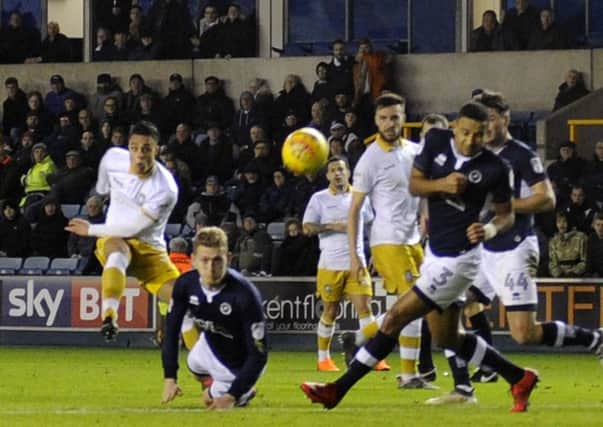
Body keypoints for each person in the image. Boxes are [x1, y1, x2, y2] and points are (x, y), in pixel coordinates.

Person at [300, 101, 542, 412]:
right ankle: (518, 377)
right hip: (434, 255)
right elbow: (415, 185)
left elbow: (506, 216)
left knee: (395, 317)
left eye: (478, 135)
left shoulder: (496, 169)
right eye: (465, 133)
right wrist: (442, 184)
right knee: (448, 336)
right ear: (454, 129)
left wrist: (490, 230)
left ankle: (337, 389)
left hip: (460, 261)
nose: (470, 141)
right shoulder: (436, 144)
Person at [427, 91, 602, 405]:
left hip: (514, 247)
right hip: (481, 250)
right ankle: (463, 388)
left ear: (505, 118)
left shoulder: (521, 155)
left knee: (524, 333)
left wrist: (504, 205)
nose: (486, 126)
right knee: (448, 308)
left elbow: (547, 199)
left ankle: (595, 339)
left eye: (491, 119)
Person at [340, 94, 432, 388]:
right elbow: (354, 211)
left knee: (411, 306)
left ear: (403, 118)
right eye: (383, 118)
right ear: (376, 121)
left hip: (412, 241)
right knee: (414, 305)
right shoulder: (369, 160)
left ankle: (358, 336)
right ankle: (408, 374)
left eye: (394, 117)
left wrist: (425, 218)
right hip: (387, 241)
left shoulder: (415, 151)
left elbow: (423, 192)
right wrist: (355, 256)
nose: (389, 123)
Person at [65, 121, 183, 342]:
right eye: (135, 147)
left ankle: (206, 371)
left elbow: (133, 228)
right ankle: (109, 314)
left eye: (146, 149)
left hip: (150, 251)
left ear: (156, 150)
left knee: (183, 302)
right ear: (128, 146)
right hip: (117, 239)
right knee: (118, 252)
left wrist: (91, 229)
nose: (139, 154)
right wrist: (101, 189)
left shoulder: (165, 188)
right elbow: (103, 176)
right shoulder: (113, 158)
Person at [161, 226, 268, 409]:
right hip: (208, 346)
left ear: (229, 259)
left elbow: (259, 355)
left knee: (211, 401)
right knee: (193, 364)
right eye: (205, 260)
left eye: (217, 260)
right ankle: (217, 383)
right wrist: (170, 377)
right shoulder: (186, 284)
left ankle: (242, 390)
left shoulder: (244, 294)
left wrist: (232, 396)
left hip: (237, 365)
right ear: (193, 260)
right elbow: (171, 331)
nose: (211, 268)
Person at [303, 155, 389, 372]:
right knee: (331, 310)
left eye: (341, 169)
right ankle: (324, 359)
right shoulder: (319, 199)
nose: (337, 173)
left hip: (356, 264)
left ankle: (373, 356)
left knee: (365, 308)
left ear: (348, 173)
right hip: (330, 264)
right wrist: (332, 226)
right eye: (333, 170)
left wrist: (375, 252)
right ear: (327, 175)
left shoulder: (360, 198)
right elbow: (307, 228)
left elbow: (371, 224)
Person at [548, 211, 587, 278]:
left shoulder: (581, 237)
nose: (561, 225)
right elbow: (552, 263)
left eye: (564, 221)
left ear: (569, 222)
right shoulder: (553, 241)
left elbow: (585, 261)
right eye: (559, 222)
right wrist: (559, 274)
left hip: (578, 277)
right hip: (559, 277)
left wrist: (574, 273)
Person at [587, 212, 603, 277]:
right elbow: (589, 258)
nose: (601, 228)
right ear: (594, 226)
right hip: (595, 272)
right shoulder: (591, 238)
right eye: (598, 225)